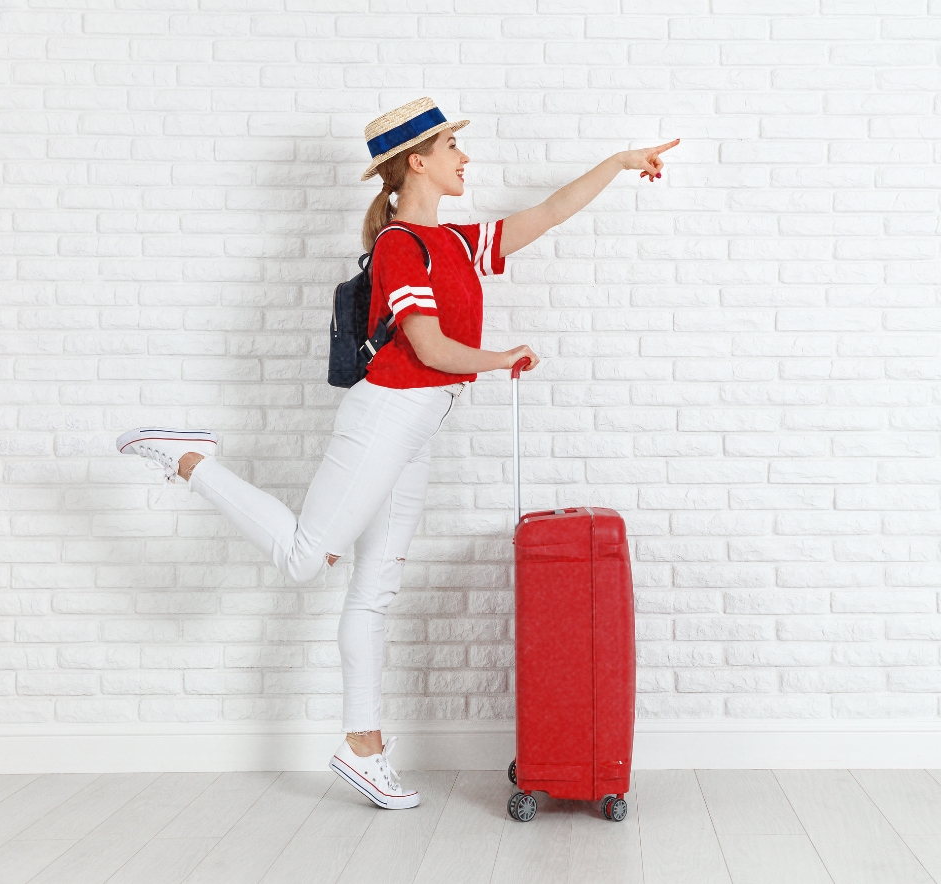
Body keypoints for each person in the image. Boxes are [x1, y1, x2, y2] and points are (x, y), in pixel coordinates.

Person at [116, 96, 678, 809]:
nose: (464, 160)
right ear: (417, 162)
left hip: (416, 425)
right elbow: (429, 347)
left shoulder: (457, 243)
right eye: (452, 149)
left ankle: (363, 747)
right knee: (303, 558)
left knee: (374, 591)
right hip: (384, 415)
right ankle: (189, 460)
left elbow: (550, 212)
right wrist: (501, 356)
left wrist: (622, 163)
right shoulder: (398, 247)